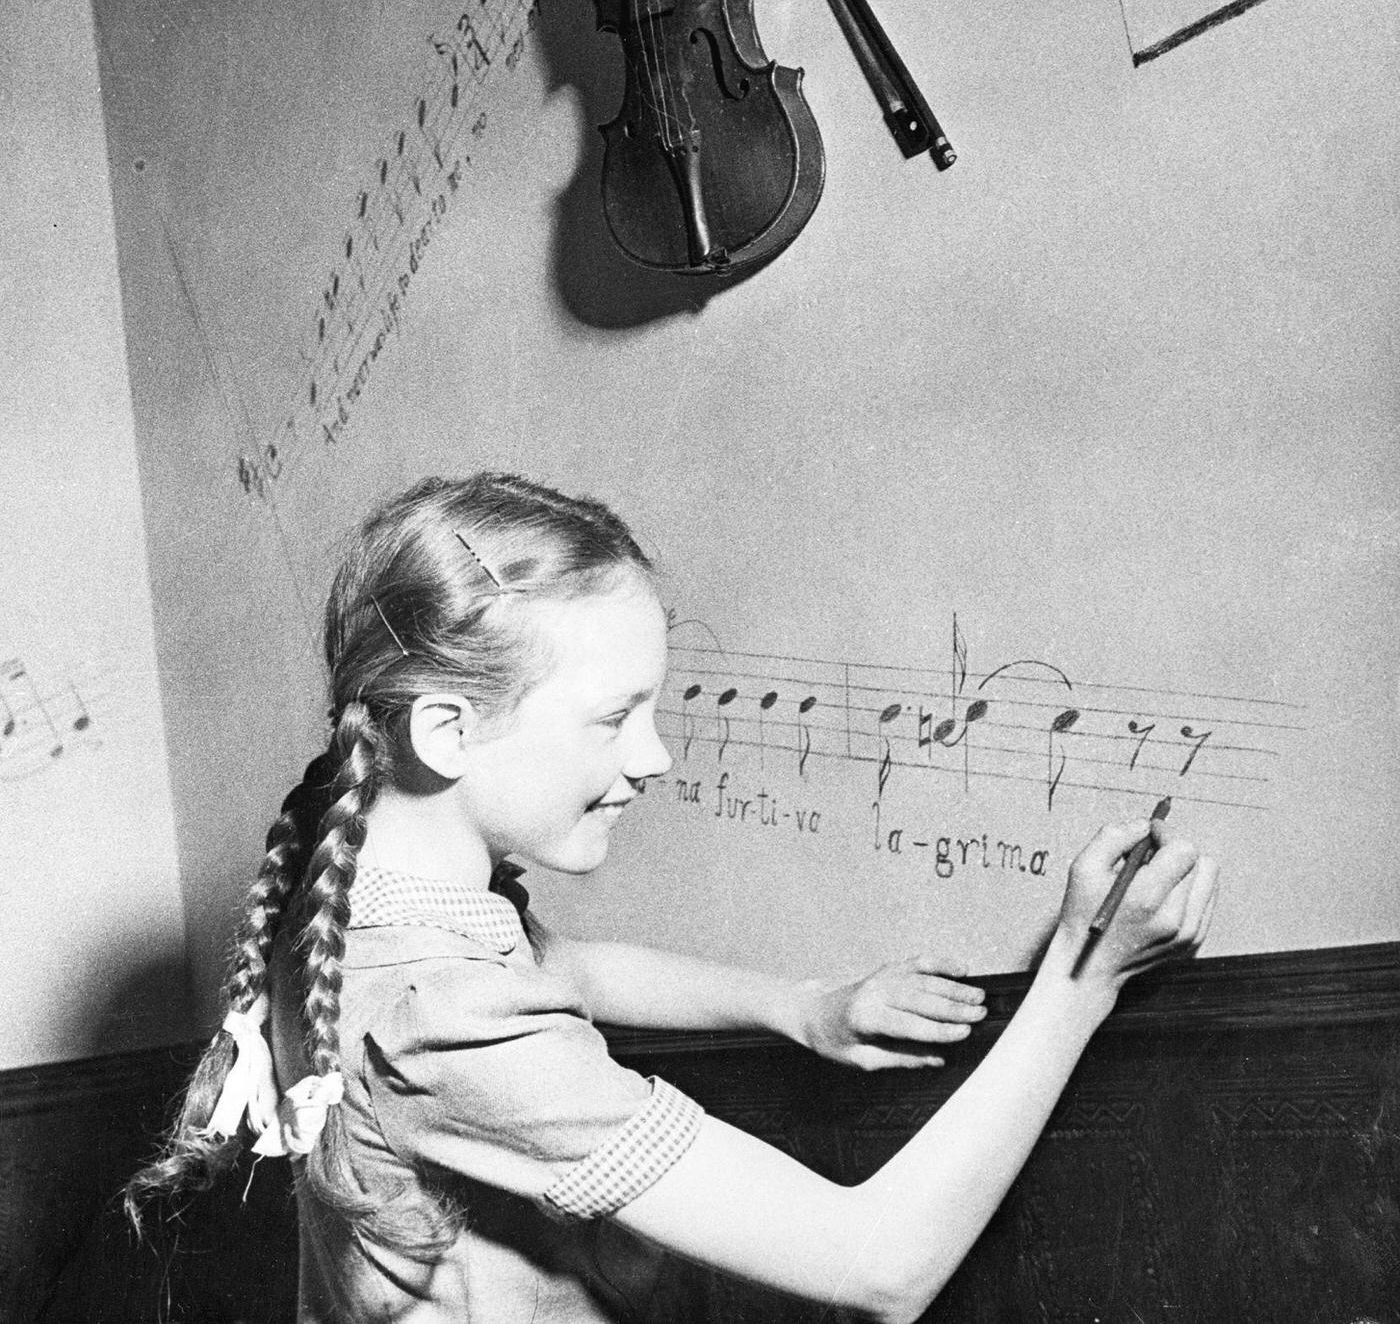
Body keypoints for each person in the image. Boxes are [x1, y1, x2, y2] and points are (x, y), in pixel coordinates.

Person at [126, 472, 1218, 1323]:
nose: (652, 757)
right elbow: (878, 1265)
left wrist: (800, 1006)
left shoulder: (373, 915)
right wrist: (1084, 974)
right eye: (613, 717)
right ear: (447, 729)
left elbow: (579, 973)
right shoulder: (443, 1014)